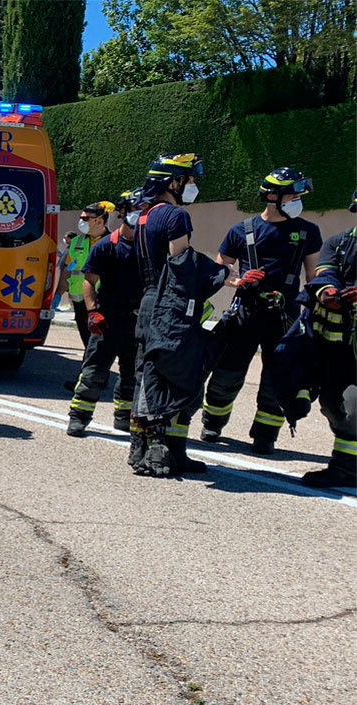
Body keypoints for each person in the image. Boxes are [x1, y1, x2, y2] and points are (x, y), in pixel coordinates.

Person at [200, 168, 322, 454]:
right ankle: (213, 423)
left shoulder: (307, 232)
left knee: (277, 378)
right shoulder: (241, 231)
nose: (298, 200)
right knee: (227, 374)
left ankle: (266, 434)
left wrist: (315, 308)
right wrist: (238, 281)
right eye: (293, 195)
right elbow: (220, 271)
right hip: (246, 314)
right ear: (273, 197)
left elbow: (314, 276)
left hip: (284, 316)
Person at [130, 153, 229, 477]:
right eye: (189, 180)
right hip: (168, 308)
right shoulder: (175, 217)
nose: (193, 186)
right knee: (174, 374)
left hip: (147, 303)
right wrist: (221, 273)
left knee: (148, 374)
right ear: (173, 182)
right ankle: (162, 451)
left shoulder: (144, 216)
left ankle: (147, 449)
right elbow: (181, 265)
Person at [66, 189, 145, 436]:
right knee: (93, 371)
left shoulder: (148, 248)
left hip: (136, 321)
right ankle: (78, 417)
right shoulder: (106, 246)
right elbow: (88, 280)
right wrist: (93, 312)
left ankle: (123, 417)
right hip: (107, 319)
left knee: (131, 373)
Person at [300, 189, 357, 487]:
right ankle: (347, 467)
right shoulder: (340, 243)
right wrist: (327, 292)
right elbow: (324, 271)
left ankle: (347, 468)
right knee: (338, 402)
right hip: (339, 345)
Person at [63, 201, 116, 347]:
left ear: (99, 220)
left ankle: (92, 367)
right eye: (81, 218)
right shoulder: (76, 242)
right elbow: (67, 269)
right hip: (80, 300)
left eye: (85, 219)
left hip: (102, 299)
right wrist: (58, 293)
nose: (81, 222)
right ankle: (87, 366)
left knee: (101, 341)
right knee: (87, 340)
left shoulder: (113, 242)